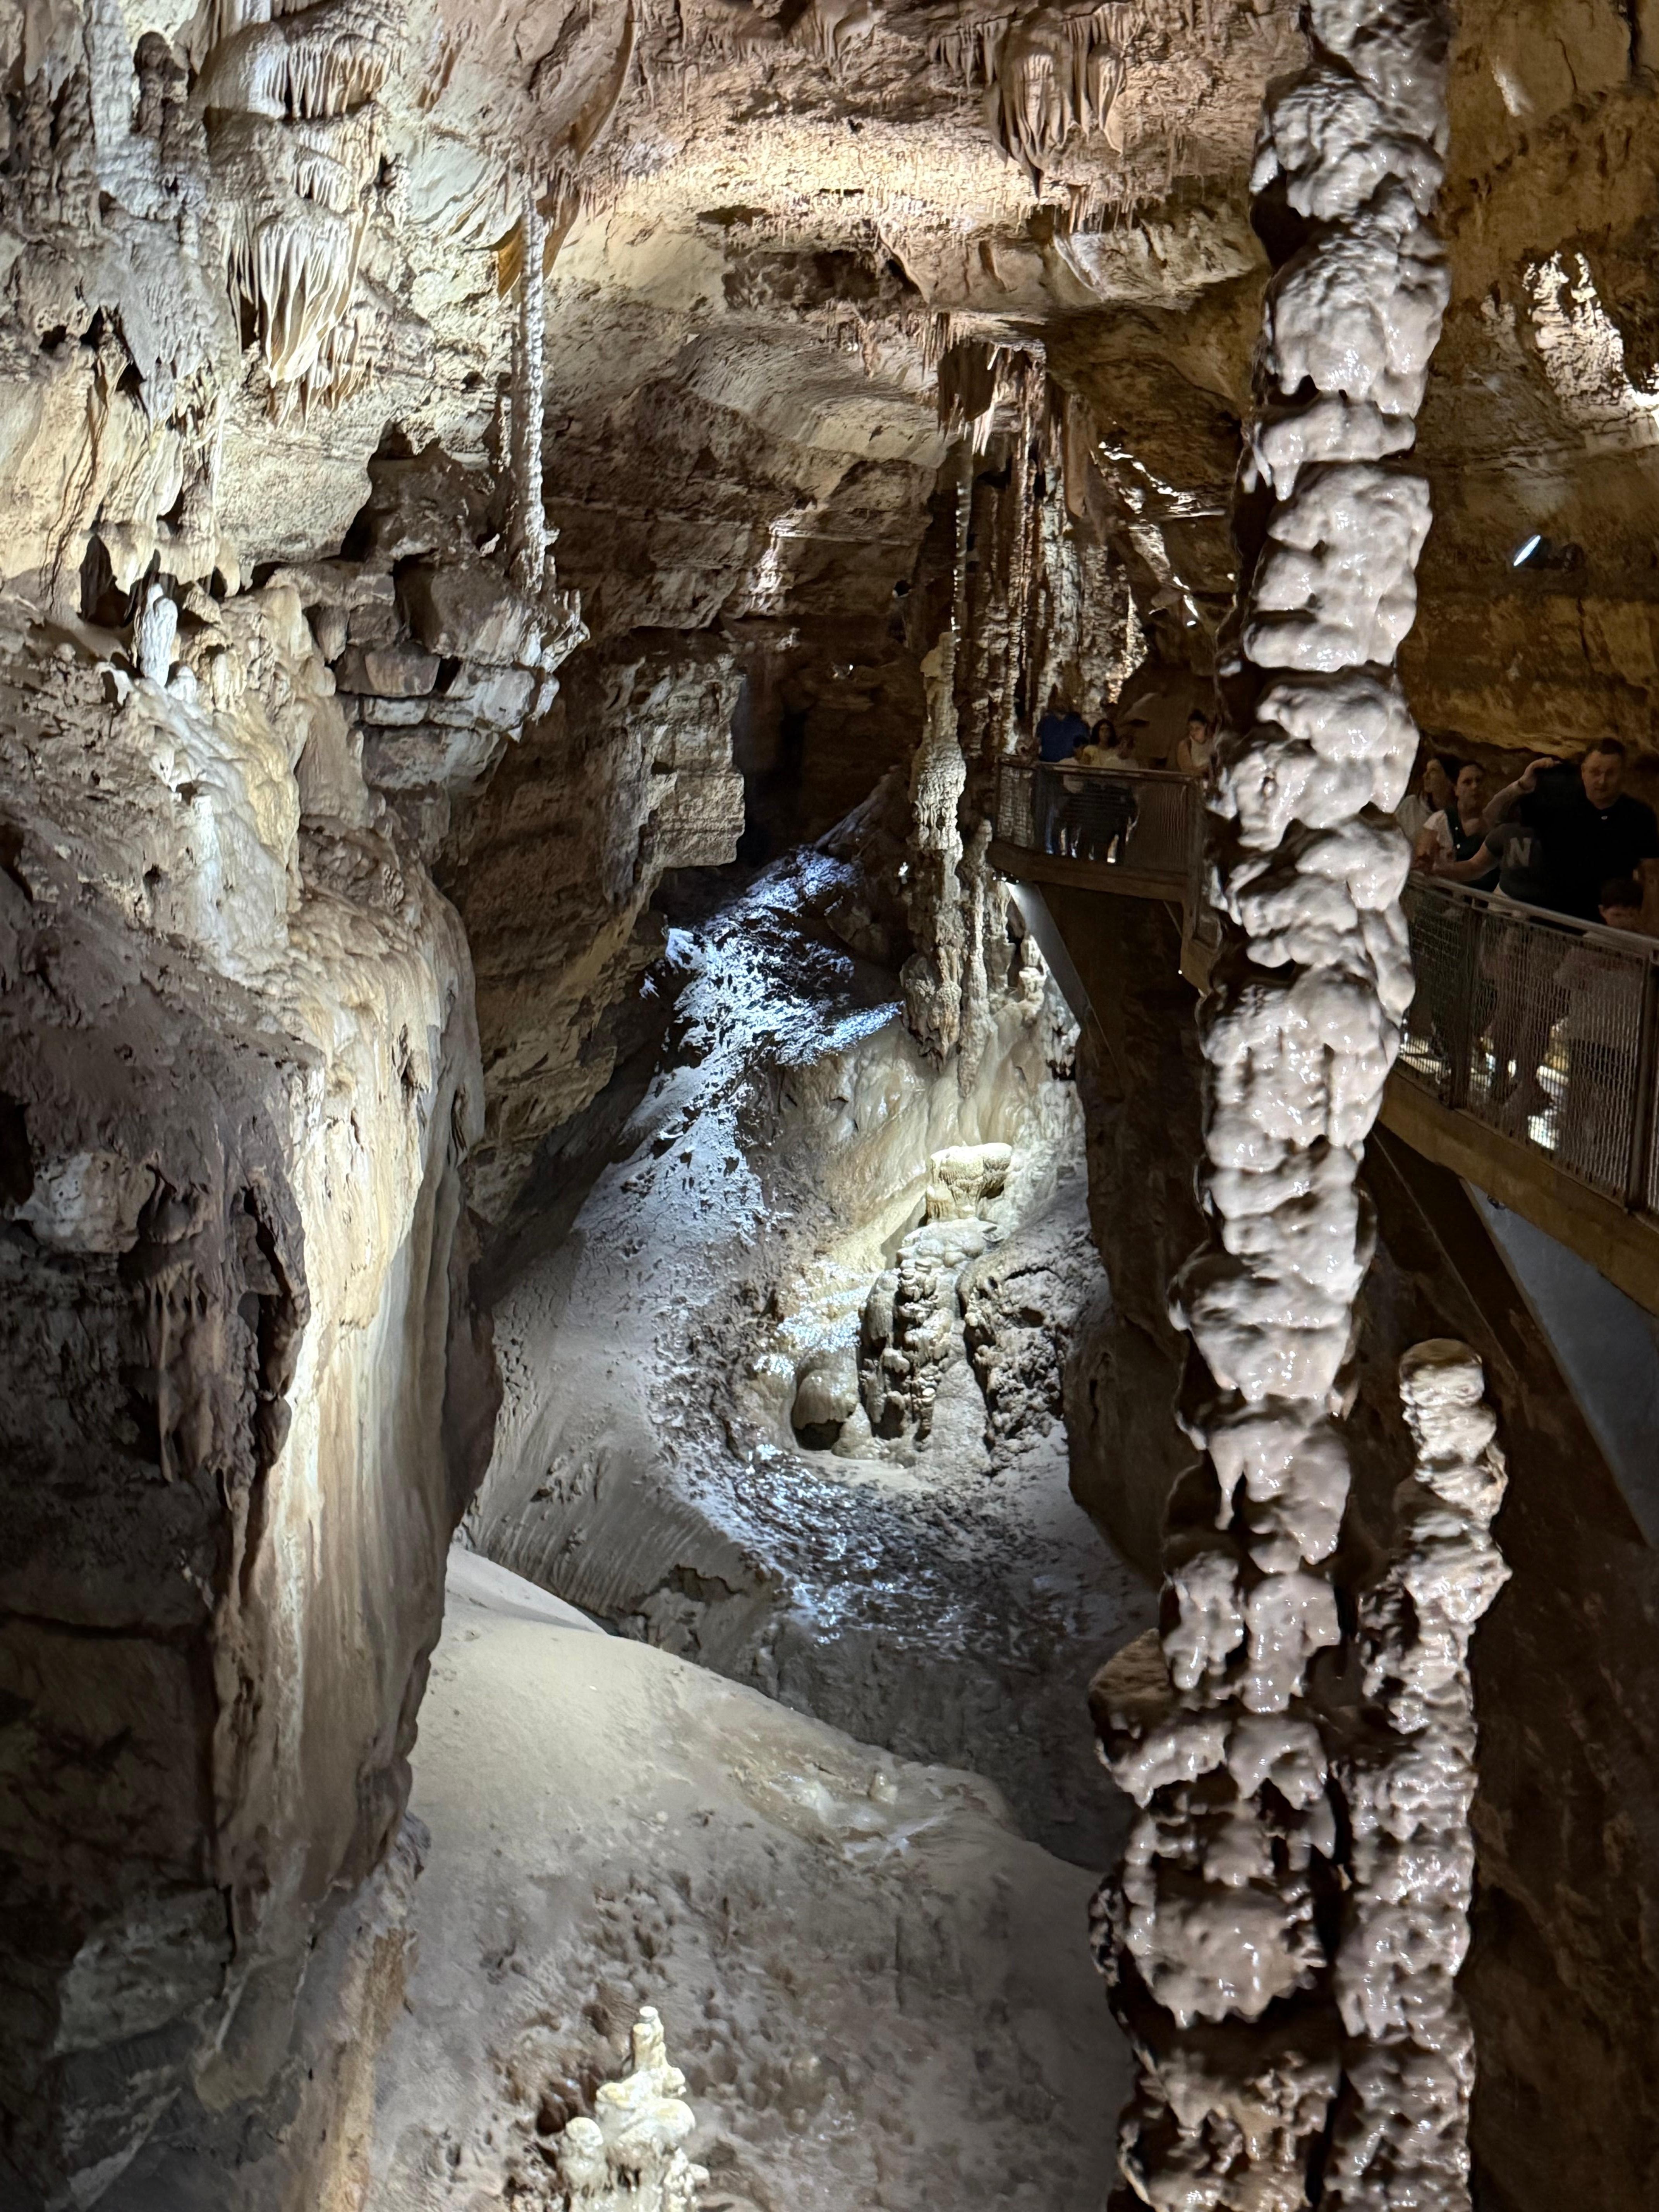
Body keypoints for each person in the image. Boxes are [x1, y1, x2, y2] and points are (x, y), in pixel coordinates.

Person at [1478, 740, 1659, 921]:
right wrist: (1522, 785)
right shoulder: (1558, 802)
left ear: (1623, 775)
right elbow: (1492, 817)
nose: (1602, 781)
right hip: (1553, 918)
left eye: (1611, 774)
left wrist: (1650, 924)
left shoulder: (1639, 816)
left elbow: (1651, 875)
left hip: (1605, 923)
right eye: (1596, 772)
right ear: (1583, 772)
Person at [1553, 878, 1650, 1184]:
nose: (1625, 922)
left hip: (1623, 1040)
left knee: (1614, 1104)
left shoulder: (1646, 948)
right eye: (1619, 915)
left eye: (1631, 915)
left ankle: (1606, 1163)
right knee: (1579, 1096)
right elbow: (1565, 978)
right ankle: (1568, 1154)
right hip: (1587, 1033)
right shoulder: (1592, 940)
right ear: (1603, 912)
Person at [1417, 760, 1498, 889]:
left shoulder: (1496, 824)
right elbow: (1424, 858)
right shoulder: (1439, 821)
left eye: (1479, 781)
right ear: (1456, 789)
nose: (1475, 787)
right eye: (1467, 782)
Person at [1396, 752, 1459, 847]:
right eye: (1427, 771)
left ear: (1450, 781)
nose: (1425, 776)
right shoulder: (1411, 806)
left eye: (1434, 771)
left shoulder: (1460, 818)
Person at [1175, 708, 1214, 776]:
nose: (1194, 732)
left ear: (1205, 726)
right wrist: (1205, 769)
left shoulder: (1213, 742)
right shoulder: (1186, 745)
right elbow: (1187, 770)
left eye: (1198, 729)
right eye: (1191, 729)